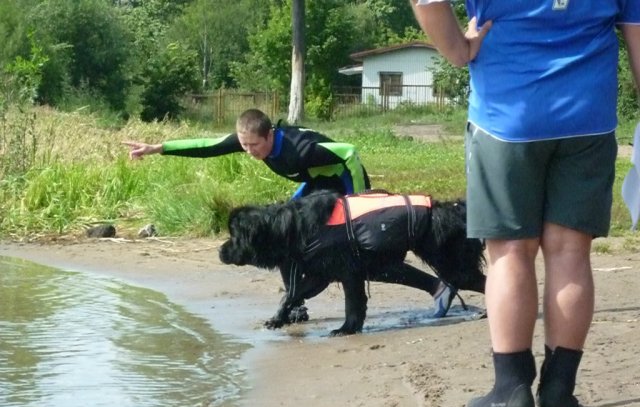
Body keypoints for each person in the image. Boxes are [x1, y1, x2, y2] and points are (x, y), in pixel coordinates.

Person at [412, 0, 640, 407]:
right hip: (588, 117)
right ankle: (559, 387)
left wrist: (458, 51)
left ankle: (511, 387)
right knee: (571, 251)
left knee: (510, 251)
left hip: (506, 118)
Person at [124, 108, 458, 317]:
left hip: (343, 188)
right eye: (244, 146)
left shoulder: (298, 148)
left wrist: (359, 199)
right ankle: (295, 303)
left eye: (255, 145)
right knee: (284, 240)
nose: (250, 151)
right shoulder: (249, 140)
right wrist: (158, 149)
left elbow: (349, 153)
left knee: (358, 260)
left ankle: (433, 286)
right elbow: (207, 146)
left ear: (270, 135)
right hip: (315, 189)